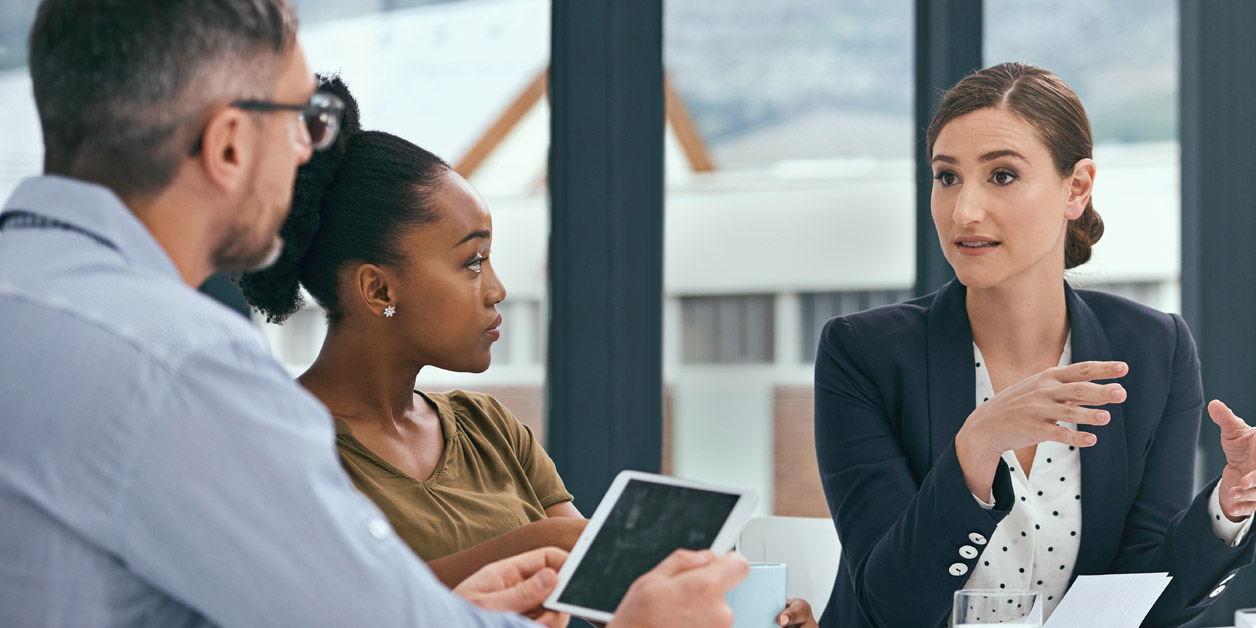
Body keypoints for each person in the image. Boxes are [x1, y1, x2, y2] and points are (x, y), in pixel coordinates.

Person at [0, 1, 745, 627]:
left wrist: (450, 608)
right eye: (305, 120)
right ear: (228, 143)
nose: (310, 152)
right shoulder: (182, 366)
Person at [231, 74, 820, 628]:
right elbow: (338, 609)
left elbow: (598, 593)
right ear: (379, 289)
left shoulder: (490, 428)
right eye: (471, 262)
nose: (497, 289)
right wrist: (532, 544)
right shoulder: (283, 447)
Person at [813, 62, 1256, 628]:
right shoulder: (863, 354)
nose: (964, 211)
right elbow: (891, 606)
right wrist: (976, 449)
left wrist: (1224, 511)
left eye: (1002, 175)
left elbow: (1145, 602)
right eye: (947, 177)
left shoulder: (1156, 350)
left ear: (1076, 188)